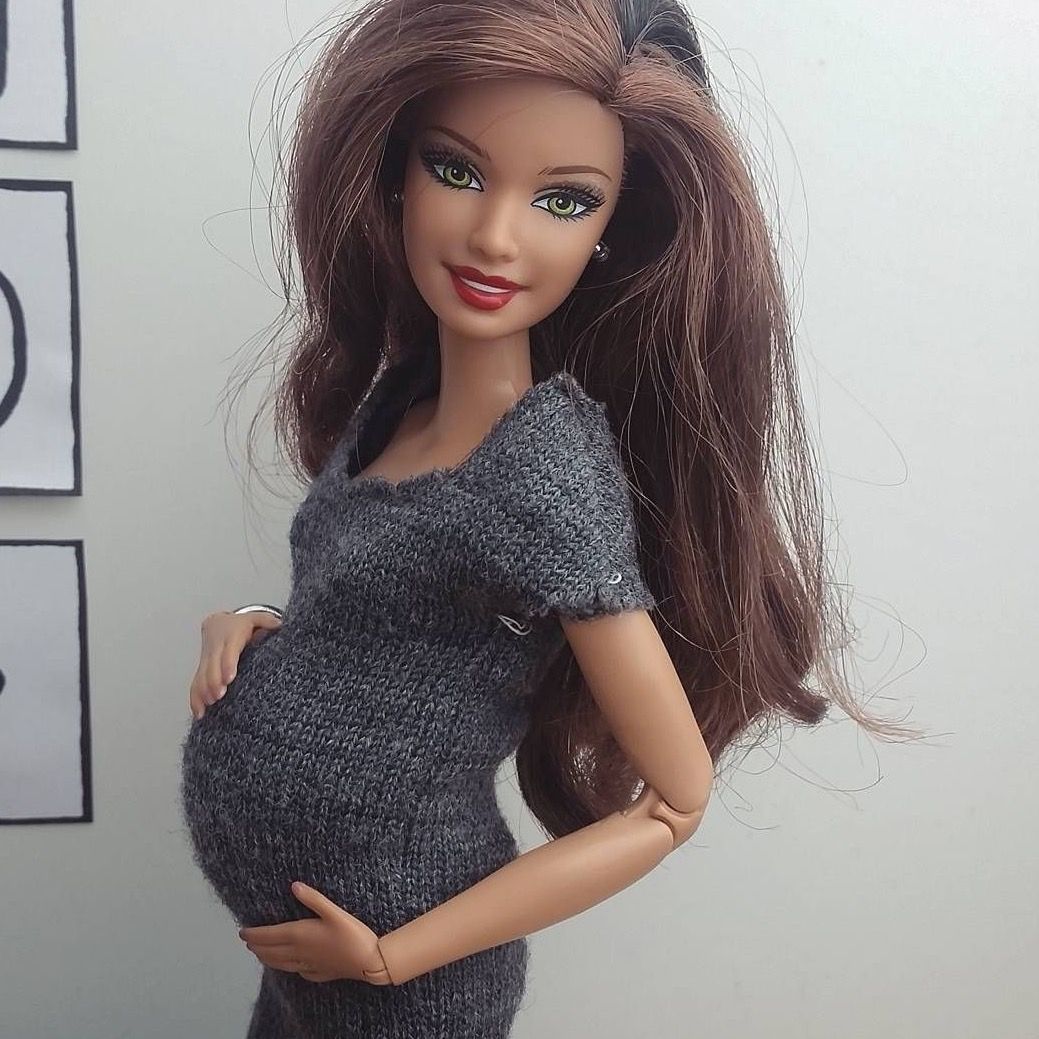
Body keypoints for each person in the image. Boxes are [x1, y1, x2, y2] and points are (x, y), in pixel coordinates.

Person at [180, 1, 921, 1036]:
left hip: (404, 988)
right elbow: (373, 604)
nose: (495, 236)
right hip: (305, 963)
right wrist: (257, 623)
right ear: (391, 170)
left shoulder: (543, 473)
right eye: (455, 169)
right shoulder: (398, 398)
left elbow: (675, 800)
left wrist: (394, 955)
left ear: (613, 233)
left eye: (563, 201)